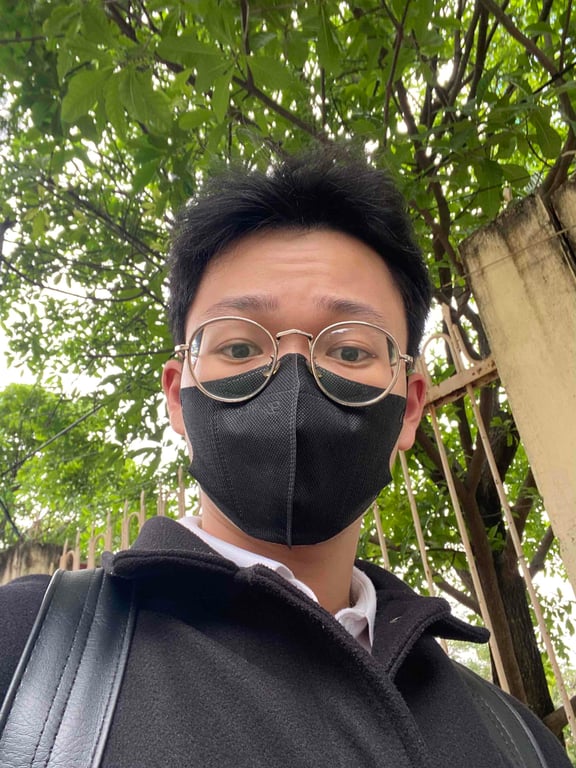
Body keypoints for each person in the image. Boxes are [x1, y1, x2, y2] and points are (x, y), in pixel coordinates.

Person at [0, 150, 570, 767]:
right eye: (239, 346)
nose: (293, 384)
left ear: (409, 408)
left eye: (350, 351)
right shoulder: (24, 655)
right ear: (178, 398)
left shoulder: (521, 744)